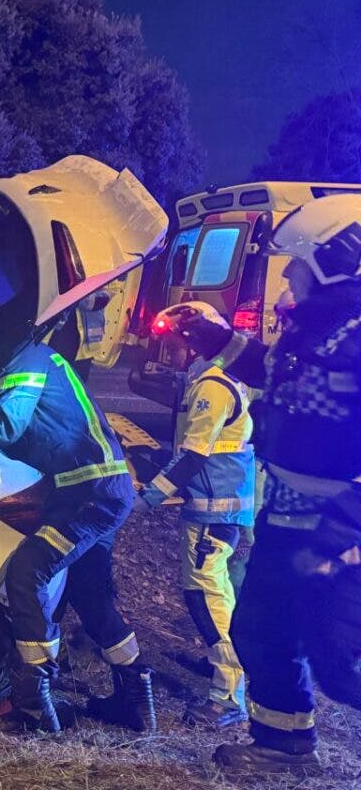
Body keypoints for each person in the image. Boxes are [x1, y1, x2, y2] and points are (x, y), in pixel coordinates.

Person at [154, 193, 361, 775]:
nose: (289, 273)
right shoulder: (322, 329)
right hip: (288, 520)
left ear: (337, 258)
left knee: (341, 659)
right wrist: (216, 339)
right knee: (261, 629)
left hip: (337, 530)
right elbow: (275, 370)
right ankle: (284, 746)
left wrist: (342, 531)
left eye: (299, 262)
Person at [0, 340, 155, 733]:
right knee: (90, 593)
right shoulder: (43, 355)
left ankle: (33, 707)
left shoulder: (24, 357)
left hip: (86, 494)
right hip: (101, 491)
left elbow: (7, 426)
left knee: (27, 571)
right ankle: (136, 699)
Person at [134, 301, 256, 728]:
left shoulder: (212, 387)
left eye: (174, 344)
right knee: (213, 597)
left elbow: (191, 459)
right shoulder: (215, 381)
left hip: (212, 514)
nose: (170, 352)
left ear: (195, 343)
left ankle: (227, 698)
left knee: (208, 599)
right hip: (218, 510)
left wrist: (145, 500)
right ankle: (226, 673)